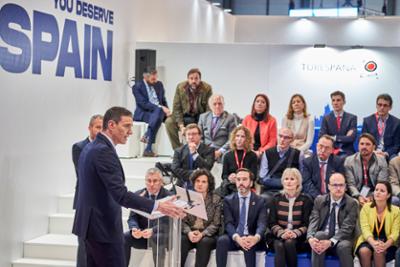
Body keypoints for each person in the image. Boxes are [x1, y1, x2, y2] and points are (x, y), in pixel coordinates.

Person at [72, 106, 185, 267]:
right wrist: (158, 205)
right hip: (102, 229)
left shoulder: (91, 147)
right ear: (111, 125)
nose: (131, 132)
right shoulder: (102, 151)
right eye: (127, 126)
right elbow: (121, 195)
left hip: (91, 227)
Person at [216, 168, 267, 267]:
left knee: (250, 244)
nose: (241, 183)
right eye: (238, 180)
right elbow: (228, 223)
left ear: (251, 183)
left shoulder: (260, 201)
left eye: (244, 179)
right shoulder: (228, 200)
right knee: (222, 240)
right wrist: (237, 238)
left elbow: (262, 223)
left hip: (251, 236)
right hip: (234, 236)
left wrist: (255, 238)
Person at [307, 173, 358, 267]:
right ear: (329, 186)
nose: (338, 188)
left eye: (341, 185)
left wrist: (331, 241)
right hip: (324, 237)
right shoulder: (320, 201)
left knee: (344, 246)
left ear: (346, 187)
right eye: (335, 185)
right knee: (318, 236)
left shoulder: (352, 203)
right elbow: (313, 221)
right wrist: (310, 238)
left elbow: (347, 228)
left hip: (342, 239)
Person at [71, 114, 103, 267]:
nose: (100, 131)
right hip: (85, 201)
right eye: (97, 127)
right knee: (83, 243)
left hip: (100, 204)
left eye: (102, 128)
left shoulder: (106, 148)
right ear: (89, 128)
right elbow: (84, 175)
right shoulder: (79, 147)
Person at [123, 168, 171, 267]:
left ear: (161, 182)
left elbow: (168, 223)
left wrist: (153, 230)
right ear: (145, 181)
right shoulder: (138, 195)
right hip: (142, 235)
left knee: (157, 237)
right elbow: (132, 218)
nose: (151, 184)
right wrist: (134, 228)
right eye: (149, 181)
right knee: (125, 237)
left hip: (160, 236)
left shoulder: (168, 196)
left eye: (155, 181)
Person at [268, 168, 313, 267]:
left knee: (289, 243)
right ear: (282, 181)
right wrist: (282, 233)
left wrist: (294, 233)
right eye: (286, 179)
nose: (289, 182)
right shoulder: (275, 199)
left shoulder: (306, 200)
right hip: (277, 236)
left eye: (292, 179)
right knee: (279, 246)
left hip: (298, 238)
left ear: (298, 182)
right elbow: (271, 222)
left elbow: (307, 224)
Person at [181, 169, 222, 267]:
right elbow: (182, 221)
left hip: (207, 235)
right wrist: (189, 232)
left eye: (204, 182)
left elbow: (215, 224)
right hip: (190, 233)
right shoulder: (187, 198)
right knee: (182, 240)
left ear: (209, 184)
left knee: (204, 242)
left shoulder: (216, 199)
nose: (200, 184)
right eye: (197, 181)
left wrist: (202, 234)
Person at [165, 68, 213, 150]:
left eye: (196, 78)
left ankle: (202, 150)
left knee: (210, 122)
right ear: (188, 79)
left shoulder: (207, 88)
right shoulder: (180, 87)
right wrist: (181, 126)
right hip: (185, 115)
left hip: (199, 116)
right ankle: (178, 150)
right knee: (169, 122)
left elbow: (209, 109)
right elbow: (177, 108)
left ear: (200, 79)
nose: (194, 81)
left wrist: (200, 125)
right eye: (191, 78)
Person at [355, 181, 400, 267]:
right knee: (364, 251)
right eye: (376, 190)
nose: (378, 192)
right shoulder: (366, 208)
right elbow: (365, 229)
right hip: (368, 240)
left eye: (382, 191)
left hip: (387, 243)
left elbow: (395, 233)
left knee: (379, 252)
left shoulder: (396, 211)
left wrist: (385, 245)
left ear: (388, 195)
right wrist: (373, 243)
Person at [259, 128, 302, 207]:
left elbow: (301, 177)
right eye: (280, 136)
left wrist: (290, 185)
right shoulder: (268, 153)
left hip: (291, 190)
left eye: (286, 137)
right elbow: (262, 178)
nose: (282, 139)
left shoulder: (298, 154)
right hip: (270, 190)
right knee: (263, 199)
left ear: (291, 140)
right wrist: (283, 183)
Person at [132, 67, 170, 157]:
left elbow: (163, 100)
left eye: (156, 78)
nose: (155, 80)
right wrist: (160, 108)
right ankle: (148, 148)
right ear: (145, 77)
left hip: (157, 114)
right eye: (153, 78)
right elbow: (143, 104)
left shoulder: (159, 84)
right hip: (144, 113)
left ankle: (147, 136)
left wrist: (167, 110)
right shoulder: (137, 87)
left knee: (159, 112)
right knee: (159, 111)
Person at [345, 133, 389, 206]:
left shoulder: (381, 160)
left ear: (374, 147)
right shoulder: (349, 161)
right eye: (362, 144)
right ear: (358, 146)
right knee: (353, 202)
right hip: (356, 194)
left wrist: (372, 197)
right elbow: (351, 184)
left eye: (368, 144)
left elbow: (382, 183)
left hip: (375, 193)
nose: (364, 147)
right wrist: (359, 197)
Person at [171, 123, 215, 188]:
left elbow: (207, 168)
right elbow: (175, 169)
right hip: (182, 183)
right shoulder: (179, 151)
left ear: (200, 136)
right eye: (188, 134)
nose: (191, 137)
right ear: (185, 136)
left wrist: (195, 154)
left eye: (194, 134)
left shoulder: (209, 150)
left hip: (201, 185)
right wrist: (194, 173)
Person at [302, 135, 345, 199]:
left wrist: (330, 197)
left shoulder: (338, 162)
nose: (323, 150)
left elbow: (340, 182)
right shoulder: (308, 162)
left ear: (332, 150)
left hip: (332, 196)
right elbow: (307, 183)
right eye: (320, 146)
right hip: (314, 197)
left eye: (327, 148)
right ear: (316, 146)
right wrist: (319, 197)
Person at [219, 125, 258, 197]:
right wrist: (229, 177)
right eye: (237, 136)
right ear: (234, 138)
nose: (239, 139)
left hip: (246, 187)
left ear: (247, 139)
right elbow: (224, 175)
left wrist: (240, 178)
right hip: (231, 187)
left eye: (242, 136)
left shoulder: (252, 155)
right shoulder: (227, 155)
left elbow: (254, 176)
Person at [198, 94, 237, 162]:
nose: (217, 106)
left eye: (220, 103)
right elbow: (199, 137)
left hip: (221, 150)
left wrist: (220, 151)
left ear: (223, 104)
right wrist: (204, 150)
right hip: (205, 150)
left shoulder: (230, 118)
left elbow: (232, 138)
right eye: (214, 104)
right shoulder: (203, 117)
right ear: (210, 106)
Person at [318, 91, 357, 157]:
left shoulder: (352, 118)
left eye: (338, 100)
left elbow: (351, 138)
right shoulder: (326, 118)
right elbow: (322, 137)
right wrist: (344, 137)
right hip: (330, 150)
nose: (335, 103)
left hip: (346, 151)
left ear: (344, 102)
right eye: (333, 100)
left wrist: (333, 137)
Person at [362, 93, 400, 160]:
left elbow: (397, 145)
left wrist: (386, 153)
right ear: (376, 106)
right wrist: (373, 152)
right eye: (380, 105)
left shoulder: (397, 123)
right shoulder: (367, 121)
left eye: (385, 105)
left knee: (395, 161)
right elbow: (363, 141)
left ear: (390, 107)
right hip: (371, 152)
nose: (382, 107)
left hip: (389, 154)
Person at [242, 93, 277, 158]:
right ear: (254, 104)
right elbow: (242, 137)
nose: (259, 104)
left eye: (263, 102)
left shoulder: (272, 120)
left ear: (266, 106)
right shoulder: (247, 118)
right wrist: (250, 150)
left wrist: (261, 151)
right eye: (257, 101)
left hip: (264, 151)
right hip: (248, 150)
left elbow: (272, 141)